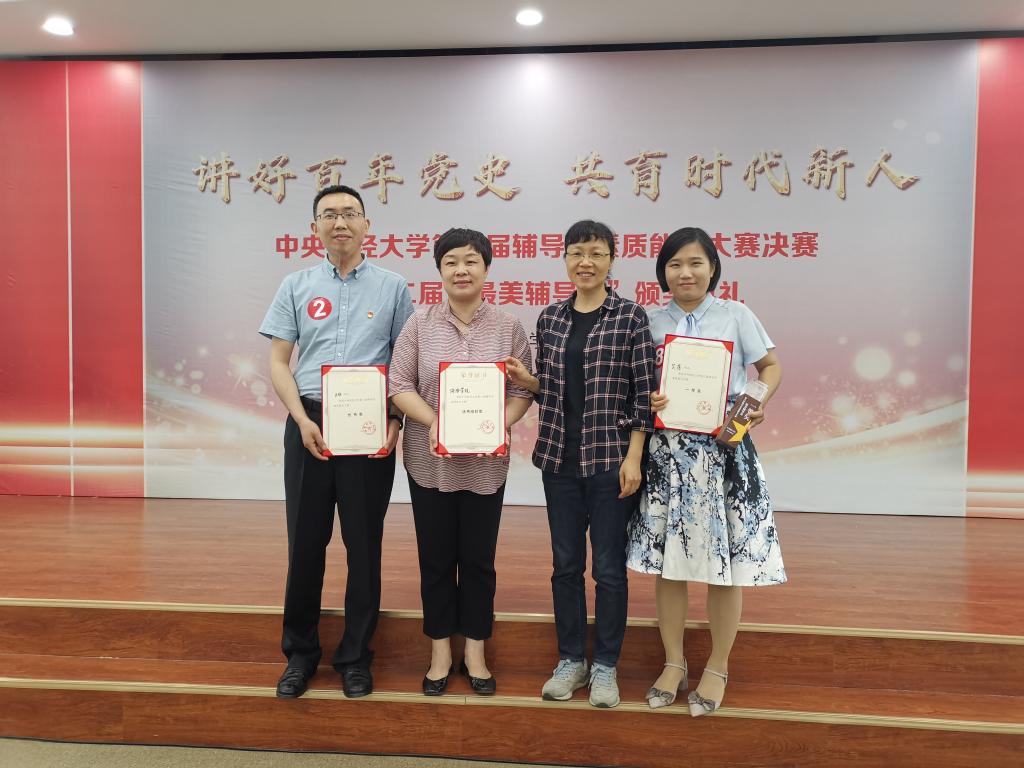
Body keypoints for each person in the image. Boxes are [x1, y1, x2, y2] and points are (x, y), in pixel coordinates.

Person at [259, 184, 413, 699]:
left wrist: (395, 421)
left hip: (369, 426)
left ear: (367, 225)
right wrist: (300, 420)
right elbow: (279, 361)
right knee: (305, 545)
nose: (340, 222)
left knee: (364, 546)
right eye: (329, 215)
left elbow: (404, 364)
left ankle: (355, 657)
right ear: (315, 228)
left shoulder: (393, 287)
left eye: (350, 213)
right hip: (310, 424)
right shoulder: (295, 285)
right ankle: (300, 655)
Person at [626, 226, 787, 716]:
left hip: (724, 451)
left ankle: (717, 666)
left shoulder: (736, 315)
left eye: (695, 263)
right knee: (669, 564)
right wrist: (648, 397)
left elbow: (770, 367)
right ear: (663, 272)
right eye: (675, 264)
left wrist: (752, 404)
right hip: (667, 455)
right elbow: (635, 382)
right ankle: (673, 662)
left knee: (725, 565)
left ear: (713, 268)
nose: (686, 273)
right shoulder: (648, 321)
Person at [505, 220, 655, 709]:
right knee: (565, 566)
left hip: (611, 461)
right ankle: (572, 660)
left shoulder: (630, 317)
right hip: (559, 461)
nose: (585, 262)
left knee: (609, 570)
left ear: (612, 259)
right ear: (565, 258)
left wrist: (635, 457)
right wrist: (526, 380)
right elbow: (549, 389)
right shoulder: (550, 318)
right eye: (576, 253)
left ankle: (606, 665)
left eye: (596, 253)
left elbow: (643, 395)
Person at [390, 228, 534, 697]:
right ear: (439, 271)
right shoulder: (418, 324)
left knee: (478, 560)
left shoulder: (509, 327)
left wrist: (497, 425)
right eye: (451, 262)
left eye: (471, 261)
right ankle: (439, 651)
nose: (461, 270)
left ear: (486, 268)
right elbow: (398, 385)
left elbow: (523, 390)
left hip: (485, 468)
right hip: (429, 463)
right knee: (435, 560)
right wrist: (437, 422)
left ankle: (475, 650)